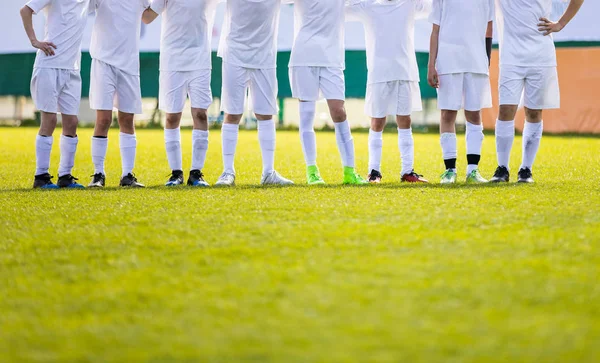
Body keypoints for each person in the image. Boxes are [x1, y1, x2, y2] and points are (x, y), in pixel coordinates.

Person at [491, 0, 584, 183]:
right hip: (511, 58)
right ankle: (502, 168)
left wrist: (561, 23)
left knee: (534, 112)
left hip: (541, 56)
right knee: (505, 111)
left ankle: (526, 169)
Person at [347, 0, 429, 184]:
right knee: (377, 120)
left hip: (405, 71)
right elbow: (340, 10)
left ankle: (407, 171)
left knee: (405, 119)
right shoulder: (367, 6)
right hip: (379, 73)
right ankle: (373, 172)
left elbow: (432, 7)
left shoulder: (410, 4)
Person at [215, 0, 293, 187]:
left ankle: (268, 172)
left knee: (265, 115)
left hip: (264, 58)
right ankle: (227, 172)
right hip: (234, 56)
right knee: (232, 114)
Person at [289, 0, 367, 185]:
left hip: (332, 59)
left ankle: (349, 172)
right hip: (303, 56)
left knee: (339, 111)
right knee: (307, 116)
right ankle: (312, 171)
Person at [142, 0, 218, 187]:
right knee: (172, 117)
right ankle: (176, 174)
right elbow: (146, 17)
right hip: (172, 61)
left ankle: (196, 173)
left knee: (200, 114)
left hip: (199, 59)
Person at [20, 0, 90, 189]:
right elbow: (25, 10)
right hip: (49, 65)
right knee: (49, 120)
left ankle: (65, 176)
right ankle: (41, 176)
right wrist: (34, 41)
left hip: (72, 69)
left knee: (72, 122)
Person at [88, 0, 154, 188]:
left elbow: (149, 16)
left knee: (127, 119)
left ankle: (127, 175)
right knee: (103, 120)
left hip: (129, 65)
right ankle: (98, 174)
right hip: (103, 62)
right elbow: (82, 7)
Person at [428, 0, 494, 184]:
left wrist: (486, 58)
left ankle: (473, 171)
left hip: (476, 62)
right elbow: (435, 30)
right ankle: (450, 170)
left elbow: (489, 28)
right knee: (448, 114)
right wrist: (431, 64)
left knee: (474, 114)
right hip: (448, 61)